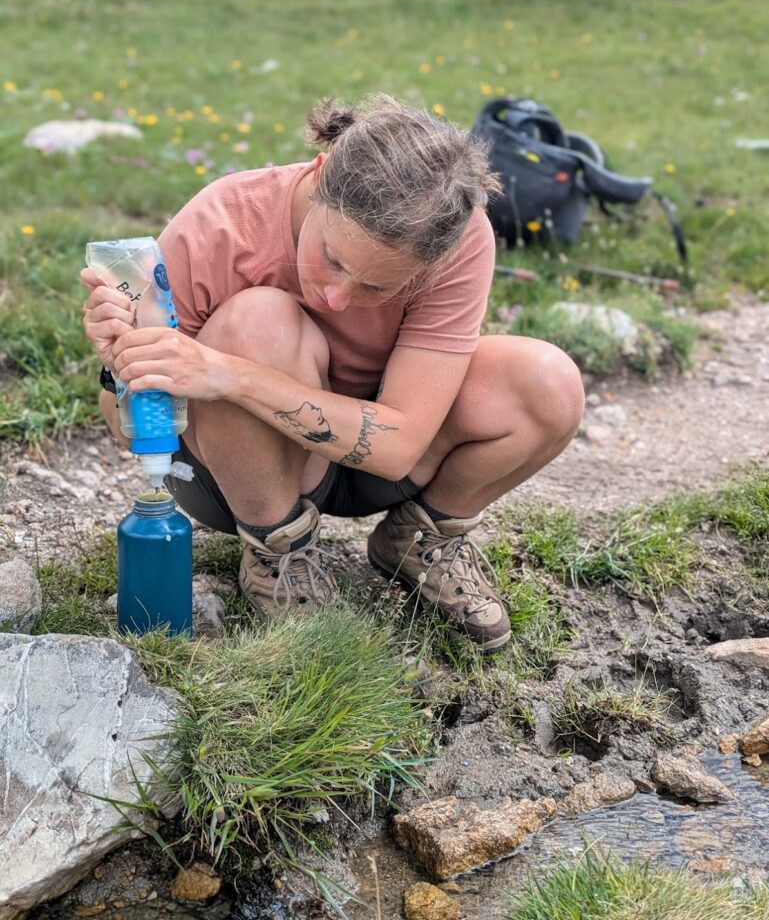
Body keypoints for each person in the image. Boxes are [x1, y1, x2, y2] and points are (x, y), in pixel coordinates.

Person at [81, 94, 584, 652]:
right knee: (256, 320)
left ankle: (419, 540)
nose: (339, 297)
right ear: (321, 175)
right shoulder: (222, 224)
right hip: (237, 475)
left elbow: (397, 447)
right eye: (334, 259)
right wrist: (119, 365)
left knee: (547, 382)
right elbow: (123, 429)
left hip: (379, 462)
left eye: (377, 286)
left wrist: (230, 375)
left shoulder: (458, 239)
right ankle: (279, 554)